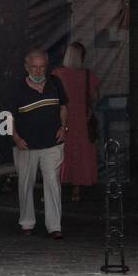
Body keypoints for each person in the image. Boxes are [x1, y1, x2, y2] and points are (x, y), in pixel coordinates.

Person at [12, 49, 68, 239]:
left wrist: (63, 126)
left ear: (47, 67)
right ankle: (27, 222)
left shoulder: (55, 83)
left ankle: (55, 226)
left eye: (42, 67)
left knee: (52, 183)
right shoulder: (17, 88)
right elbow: (8, 117)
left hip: (52, 144)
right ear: (26, 67)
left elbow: (63, 106)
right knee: (25, 184)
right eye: (34, 67)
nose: (38, 71)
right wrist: (16, 138)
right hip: (26, 145)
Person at [52, 42, 100, 202]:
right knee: (80, 154)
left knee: (58, 153)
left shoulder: (57, 73)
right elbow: (95, 97)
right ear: (82, 57)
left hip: (62, 117)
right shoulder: (87, 75)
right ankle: (76, 191)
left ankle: (54, 188)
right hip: (82, 119)